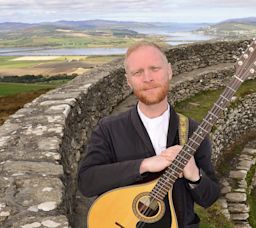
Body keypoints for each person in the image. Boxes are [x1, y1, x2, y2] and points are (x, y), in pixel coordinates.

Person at [78, 41, 220, 227]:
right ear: (128, 80)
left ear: (169, 71)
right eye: (138, 72)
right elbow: (87, 182)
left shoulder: (193, 130)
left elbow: (209, 198)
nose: (147, 78)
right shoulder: (109, 129)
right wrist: (144, 165)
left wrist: (195, 175)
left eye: (155, 68)